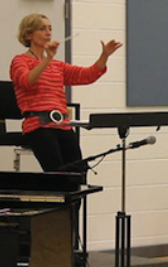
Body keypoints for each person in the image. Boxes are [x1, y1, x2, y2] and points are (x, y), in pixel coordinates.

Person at [10, 13, 122, 173]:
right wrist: (47, 59)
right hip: (38, 125)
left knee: (78, 173)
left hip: (62, 125)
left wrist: (104, 56)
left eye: (50, 28)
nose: (48, 33)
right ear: (29, 34)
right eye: (42, 29)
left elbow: (87, 75)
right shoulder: (20, 61)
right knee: (58, 174)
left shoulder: (57, 65)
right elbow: (27, 81)